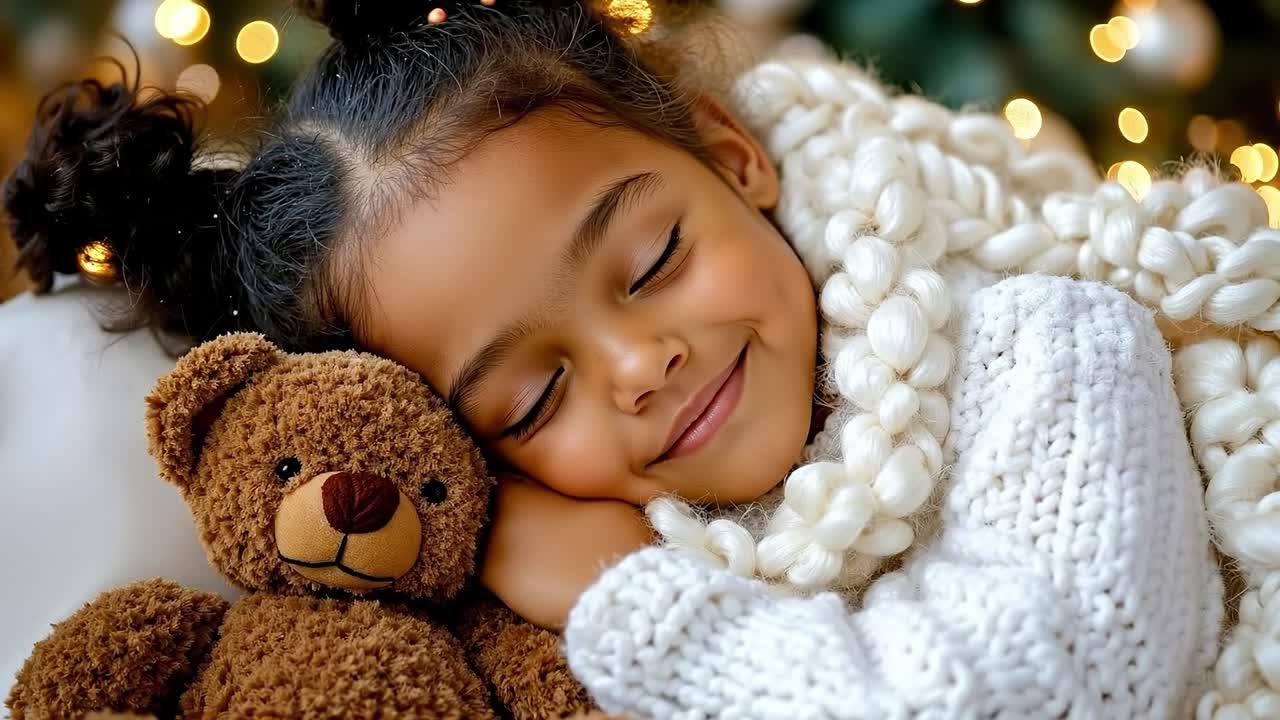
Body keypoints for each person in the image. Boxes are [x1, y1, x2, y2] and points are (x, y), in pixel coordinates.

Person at [5, 2, 1224, 716]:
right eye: (535, 396)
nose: (639, 364)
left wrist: (623, 596)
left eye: (648, 264)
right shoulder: (511, 602)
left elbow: (1066, 682)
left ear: (728, 157)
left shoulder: (1049, 339)